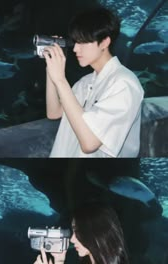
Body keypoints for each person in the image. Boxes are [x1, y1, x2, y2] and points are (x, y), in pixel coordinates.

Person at [43, 6, 144, 157]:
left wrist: (60, 80)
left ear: (104, 42)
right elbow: (54, 113)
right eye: (75, 42)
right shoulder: (86, 81)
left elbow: (90, 143)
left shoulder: (124, 83)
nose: (76, 49)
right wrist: (51, 72)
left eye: (83, 42)